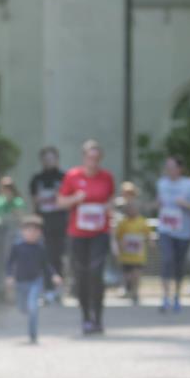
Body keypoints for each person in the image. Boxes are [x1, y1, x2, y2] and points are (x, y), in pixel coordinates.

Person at [58, 139, 115, 334]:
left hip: (100, 232)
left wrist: (109, 208)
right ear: (84, 158)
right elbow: (61, 202)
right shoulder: (73, 176)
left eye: (97, 158)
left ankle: (98, 317)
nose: (94, 161)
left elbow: (110, 200)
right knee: (81, 275)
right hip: (78, 233)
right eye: (90, 157)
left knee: (96, 273)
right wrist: (76, 198)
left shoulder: (107, 177)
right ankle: (86, 318)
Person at [155, 155, 190, 313]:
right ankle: (165, 297)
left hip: (183, 232)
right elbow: (159, 203)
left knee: (178, 265)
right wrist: (157, 204)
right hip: (165, 229)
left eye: (172, 167)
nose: (169, 170)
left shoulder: (189, 185)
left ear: (180, 169)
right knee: (167, 260)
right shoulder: (161, 183)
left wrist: (185, 204)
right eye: (167, 167)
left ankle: (176, 296)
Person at [6, 215, 61, 344]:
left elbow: (46, 265)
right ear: (22, 232)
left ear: (39, 233)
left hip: (35, 281)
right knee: (22, 308)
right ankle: (28, 316)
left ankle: (33, 335)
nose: (31, 233)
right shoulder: (17, 246)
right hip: (20, 282)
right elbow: (10, 263)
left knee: (33, 307)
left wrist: (54, 275)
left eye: (35, 231)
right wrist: (9, 276)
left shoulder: (40, 248)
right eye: (28, 230)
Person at [30, 146, 67, 303]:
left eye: (52, 158)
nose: (49, 161)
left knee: (58, 256)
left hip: (60, 223)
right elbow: (34, 202)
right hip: (43, 223)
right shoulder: (36, 179)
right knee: (45, 256)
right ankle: (47, 289)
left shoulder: (65, 177)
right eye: (46, 158)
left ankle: (58, 289)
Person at [0, 176, 28, 299]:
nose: (7, 190)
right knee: (0, 263)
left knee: (13, 264)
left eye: (9, 187)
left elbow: (21, 218)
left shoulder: (17, 201)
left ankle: (14, 292)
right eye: (4, 187)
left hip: (13, 237)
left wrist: (11, 203)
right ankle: (0, 290)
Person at [114, 196, 151, 305]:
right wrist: (120, 245)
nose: (131, 211)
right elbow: (117, 237)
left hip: (138, 255)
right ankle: (128, 288)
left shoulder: (142, 221)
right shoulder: (123, 223)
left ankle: (135, 293)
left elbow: (148, 235)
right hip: (126, 255)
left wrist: (149, 241)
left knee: (136, 274)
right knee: (128, 276)